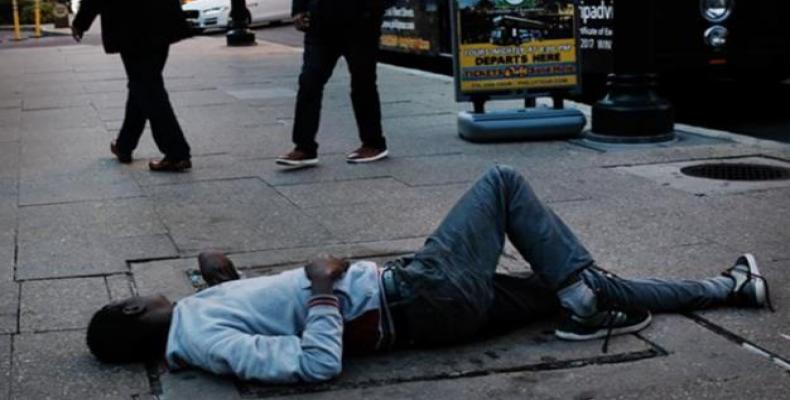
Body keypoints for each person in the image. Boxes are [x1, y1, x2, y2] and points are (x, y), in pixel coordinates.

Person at [86, 166, 773, 383]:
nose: (143, 292)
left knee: (574, 283)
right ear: (129, 313)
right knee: (501, 183)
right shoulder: (202, 339)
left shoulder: (196, 321)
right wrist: (324, 285)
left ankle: (728, 287)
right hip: (414, 296)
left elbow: (255, 319)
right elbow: (313, 365)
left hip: (430, 310)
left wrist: (221, 278)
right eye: (132, 298)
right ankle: (582, 294)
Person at [71, 0, 193, 172]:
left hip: (130, 23)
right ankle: (124, 144)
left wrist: (81, 23)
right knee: (143, 83)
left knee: (146, 85)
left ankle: (176, 152)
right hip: (162, 17)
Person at [275, 0, 390, 167]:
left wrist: (371, 10)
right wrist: (299, 10)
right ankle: (304, 148)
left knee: (362, 84)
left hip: (360, 26)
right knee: (309, 82)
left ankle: (374, 143)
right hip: (320, 26)